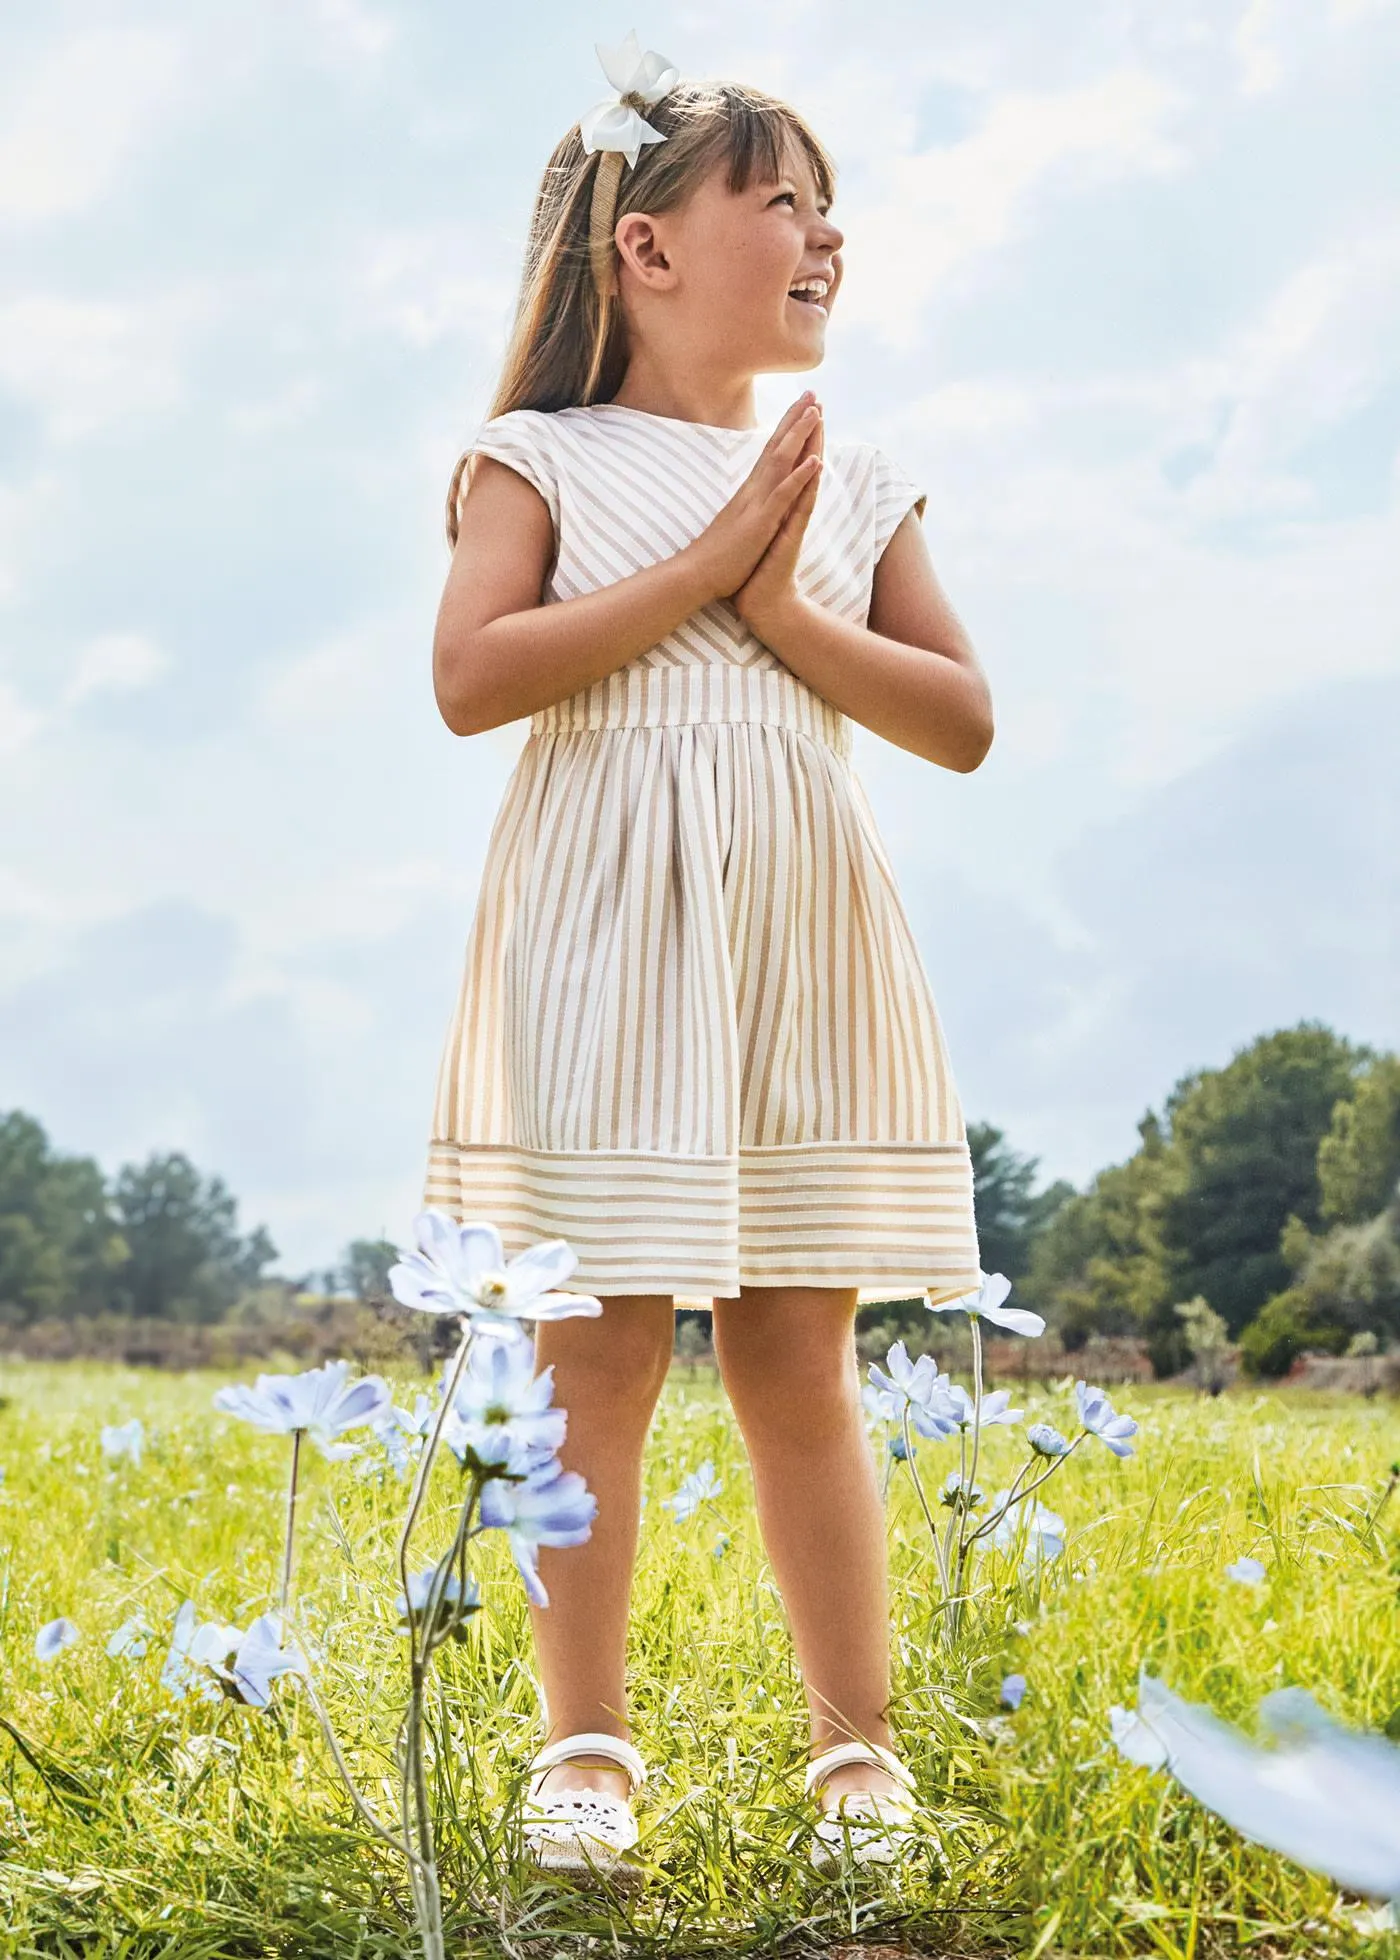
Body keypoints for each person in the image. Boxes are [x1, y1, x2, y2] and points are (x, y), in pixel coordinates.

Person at [424, 36, 993, 1881]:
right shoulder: (542, 456)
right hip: (603, 943)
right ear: (645, 250)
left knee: (798, 1358)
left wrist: (774, 595)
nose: (828, 233)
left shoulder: (860, 474)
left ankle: (858, 1761)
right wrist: (706, 570)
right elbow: (472, 677)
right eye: (782, 201)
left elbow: (963, 718)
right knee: (590, 1363)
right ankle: (583, 1746)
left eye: (833, 207)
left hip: (795, 946)